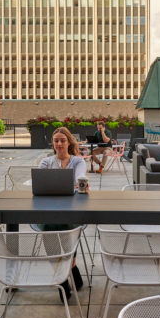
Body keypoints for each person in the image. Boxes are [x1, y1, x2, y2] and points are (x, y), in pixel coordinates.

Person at [37, 127, 89, 301]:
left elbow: (80, 177)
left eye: (62, 140)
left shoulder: (78, 162)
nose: (59, 144)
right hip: (48, 210)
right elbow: (40, 184)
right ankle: (63, 274)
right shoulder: (46, 162)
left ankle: (70, 266)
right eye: (56, 140)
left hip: (72, 209)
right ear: (53, 143)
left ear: (69, 142)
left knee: (68, 225)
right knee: (48, 225)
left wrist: (82, 184)